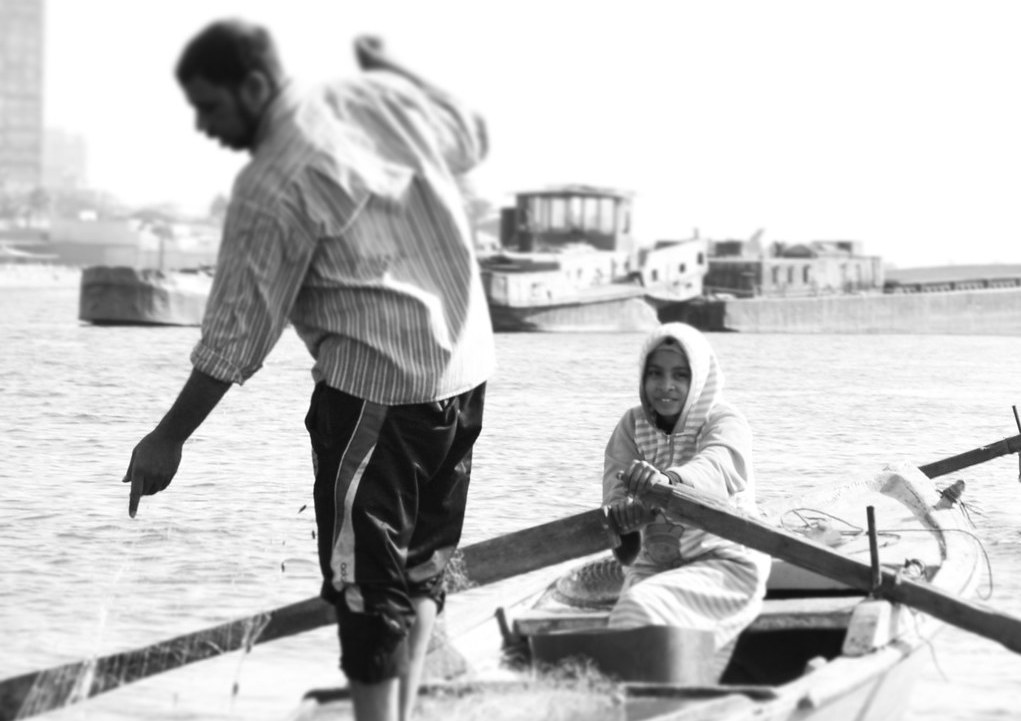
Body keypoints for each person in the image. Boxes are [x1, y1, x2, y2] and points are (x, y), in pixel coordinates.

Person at [121, 19, 495, 721]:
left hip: (382, 392)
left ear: (255, 86)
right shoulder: (370, 100)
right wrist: (398, 69)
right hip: (465, 373)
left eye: (210, 106)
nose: (204, 126)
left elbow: (236, 335)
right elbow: (469, 137)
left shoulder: (272, 183)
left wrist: (168, 436)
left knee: (364, 589)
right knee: (420, 573)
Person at [603, 322, 770, 664]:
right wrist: (622, 514)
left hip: (725, 565)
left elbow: (718, 467)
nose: (665, 387)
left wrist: (666, 483)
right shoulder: (631, 426)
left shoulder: (725, 420)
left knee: (637, 611)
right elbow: (615, 496)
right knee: (631, 623)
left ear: (698, 379)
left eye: (680, 375)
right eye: (655, 374)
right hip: (653, 567)